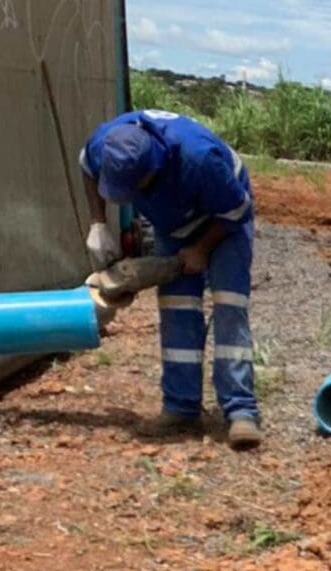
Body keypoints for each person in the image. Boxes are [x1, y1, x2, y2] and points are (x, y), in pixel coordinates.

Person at [81, 110, 259, 448]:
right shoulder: (107, 142)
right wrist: (97, 223)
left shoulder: (200, 159)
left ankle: (240, 411)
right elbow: (86, 167)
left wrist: (202, 250)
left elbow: (237, 209)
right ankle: (182, 407)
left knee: (229, 305)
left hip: (223, 215)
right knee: (176, 306)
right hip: (173, 221)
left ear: (153, 170)